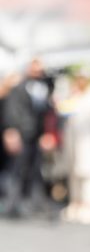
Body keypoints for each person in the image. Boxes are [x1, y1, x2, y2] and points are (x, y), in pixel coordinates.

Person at [2, 59, 54, 218]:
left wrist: (47, 133)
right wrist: (11, 131)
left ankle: (35, 204)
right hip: (22, 133)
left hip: (36, 136)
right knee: (17, 170)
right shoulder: (19, 87)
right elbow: (12, 110)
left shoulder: (44, 87)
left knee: (35, 170)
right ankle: (12, 205)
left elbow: (47, 113)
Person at [60, 74, 90, 223]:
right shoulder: (72, 96)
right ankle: (76, 202)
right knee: (74, 174)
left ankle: (89, 205)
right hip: (73, 142)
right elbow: (63, 110)